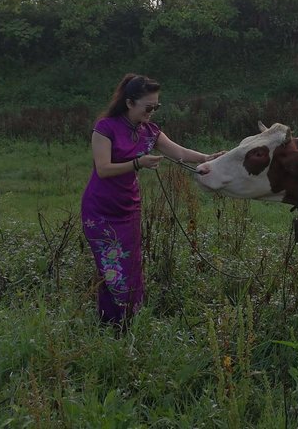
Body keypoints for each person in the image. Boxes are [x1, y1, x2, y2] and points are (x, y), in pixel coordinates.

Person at [80, 73, 223, 328]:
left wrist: (206, 158)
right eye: (148, 107)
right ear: (129, 103)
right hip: (101, 209)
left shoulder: (149, 131)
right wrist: (138, 163)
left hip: (129, 207)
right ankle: (111, 323)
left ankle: (129, 320)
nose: (152, 112)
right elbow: (103, 169)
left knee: (131, 264)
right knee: (110, 267)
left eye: (156, 107)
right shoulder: (105, 127)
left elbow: (179, 152)